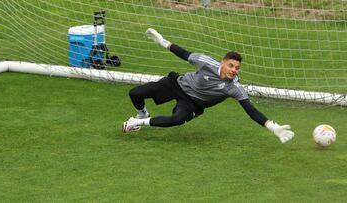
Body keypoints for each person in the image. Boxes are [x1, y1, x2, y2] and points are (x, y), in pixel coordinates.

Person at [122, 28, 295, 144]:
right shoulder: (206, 62)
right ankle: (142, 113)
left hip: (194, 103)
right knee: (135, 93)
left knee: (177, 119)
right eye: (231, 66)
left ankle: (137, 122)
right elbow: (184, 54)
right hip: (178, 84)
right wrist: (162, 41)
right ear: (223, 63)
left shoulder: (234, 87)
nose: (234, 70)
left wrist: (273, 127)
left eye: (237, 68)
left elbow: (251, 111)